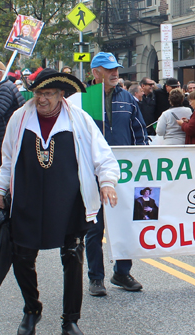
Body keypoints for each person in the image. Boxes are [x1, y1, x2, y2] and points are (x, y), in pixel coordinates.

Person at [0, 68, 120, 335]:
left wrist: (107, 182)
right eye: (38, 93)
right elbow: (6, 159)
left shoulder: (79, 119)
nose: (41, 99)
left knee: (73, 257)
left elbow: (103, 154)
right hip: (26, 199)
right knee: (22, 256)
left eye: (48, 93)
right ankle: (32, 309)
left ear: (61, 95)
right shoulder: (20, 118)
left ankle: (70, 319)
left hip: (69, 200)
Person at [85, 52, 148, 297]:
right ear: (95, 73)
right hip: (92, 174)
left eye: (116, 69)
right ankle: (96, 278)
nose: (115, 73)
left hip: (126, 174)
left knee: (128, 223)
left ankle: (122, 273)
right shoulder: (84, 100)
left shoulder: (128, 99)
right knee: (94, 227)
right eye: (108, 69)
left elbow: (140, 132)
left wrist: (144, 162)